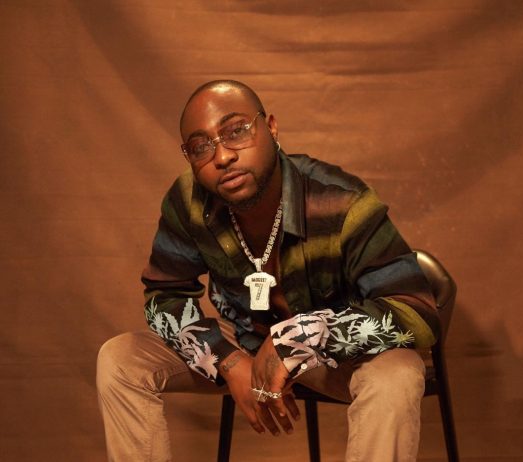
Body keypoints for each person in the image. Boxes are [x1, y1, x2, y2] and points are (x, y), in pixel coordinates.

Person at [96, 80, 439, 462]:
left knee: (398, 374)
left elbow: (416, 310)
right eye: (200, 146)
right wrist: (227, 360)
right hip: (243, 341)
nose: (222, 156)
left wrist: (298, 339)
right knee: (120, 358)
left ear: (271, 127)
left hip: (334, 353)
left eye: (236, 131)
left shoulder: (341, 200)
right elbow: (164, 296)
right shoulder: (188, 202)